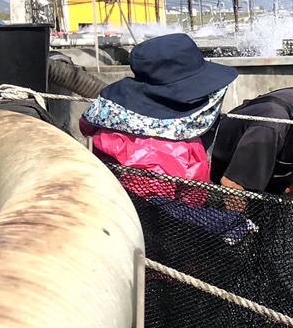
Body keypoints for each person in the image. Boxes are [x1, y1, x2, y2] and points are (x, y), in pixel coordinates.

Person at [80, 32, 239, 205]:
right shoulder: (175, 147)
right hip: (168, 221)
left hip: (116, 204)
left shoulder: (109, 124)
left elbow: (85, 128)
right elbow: (180, 203)